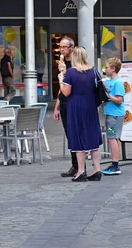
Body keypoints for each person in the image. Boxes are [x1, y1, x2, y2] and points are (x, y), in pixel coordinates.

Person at [58, 47, 103, 182]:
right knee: (92, 136)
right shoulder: (93, 71)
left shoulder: (71, 72)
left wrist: (61, 79)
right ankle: (97, 169)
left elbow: (66, 92)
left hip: (76, 106)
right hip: (90, 106)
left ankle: (81, 171)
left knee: (78, 136)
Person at [53, 37, 78, 178]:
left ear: (72, 48)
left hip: (73, 102)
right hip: (63, 102)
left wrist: (65, 71)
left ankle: (79, 165)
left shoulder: (75, 63)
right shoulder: (62, 63)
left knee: (75, 133)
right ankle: (75, 164)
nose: (62, 49)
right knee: (69, 133)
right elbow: (61, 87)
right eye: (60, 47)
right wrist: (56, 107)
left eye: (64, 47)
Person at [102, 57, 125, 176]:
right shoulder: (108, 82)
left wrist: (108, 95)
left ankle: (115, 165)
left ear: (113, 69)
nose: (105, 69)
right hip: (110, 114)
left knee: (112, 138)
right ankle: (115, 162)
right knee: (113, 137)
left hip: (115, 115)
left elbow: (119, 100)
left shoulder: (118, 83)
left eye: (107, 67)